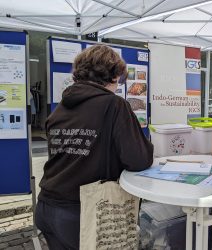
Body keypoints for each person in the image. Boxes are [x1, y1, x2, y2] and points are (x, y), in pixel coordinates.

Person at [35, 45, 154, 250]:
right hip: (84, 211)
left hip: (47, 206)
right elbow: (138, 160)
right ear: (114, 75)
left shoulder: (60, 109)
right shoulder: (115, 105)